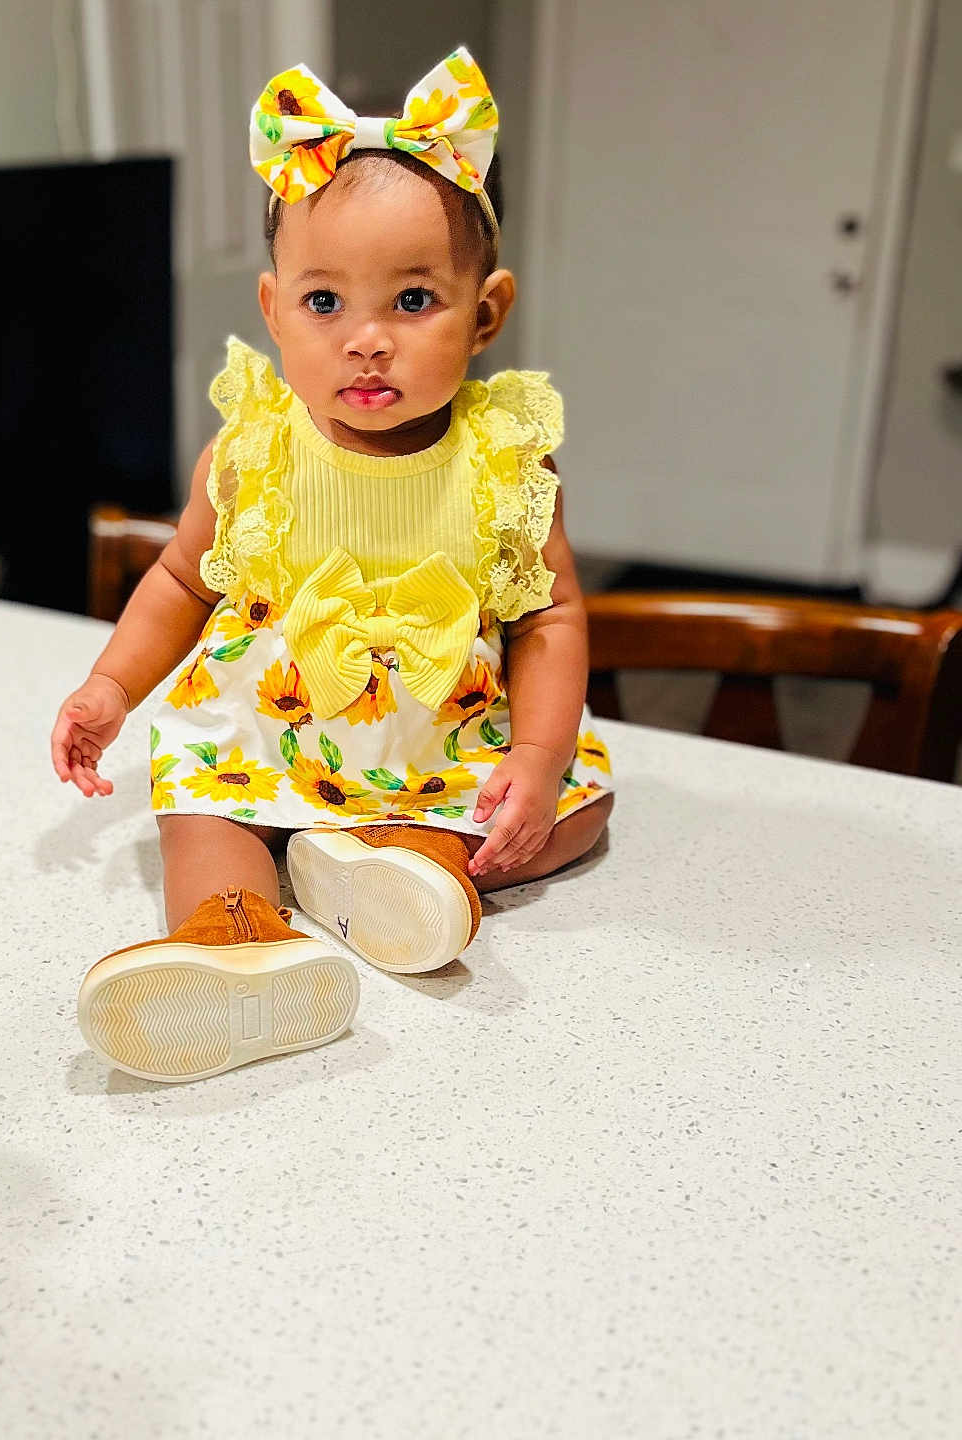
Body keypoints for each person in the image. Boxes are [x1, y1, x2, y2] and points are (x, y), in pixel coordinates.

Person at [53, 47, 613, 1084]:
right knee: (199, 801)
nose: (366, 342)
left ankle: (416, 863)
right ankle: (238, 939)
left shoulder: (505, 463)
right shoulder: (254, 452)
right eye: (325, 304)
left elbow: (551, 620)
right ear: (272, 310)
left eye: (412, 302)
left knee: (578, 802)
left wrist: (534, 760)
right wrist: (110, 685)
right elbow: (182, 581)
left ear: (485, 314)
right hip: (282, 720)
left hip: (438, 728)